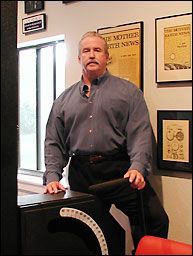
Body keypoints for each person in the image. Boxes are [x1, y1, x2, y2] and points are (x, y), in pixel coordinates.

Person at [43, 31, 169, 251]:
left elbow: (140, 133)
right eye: (86, 50)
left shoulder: (129, 93)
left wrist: (138, 167)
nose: (92, 55)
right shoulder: (63, 100)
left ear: (107, 56)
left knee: (155, 220)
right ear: (78, 58)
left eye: (97, 50)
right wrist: (53, 176)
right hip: (83, 175)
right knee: (90, 232)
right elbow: (54, 141)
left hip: (122, 172)